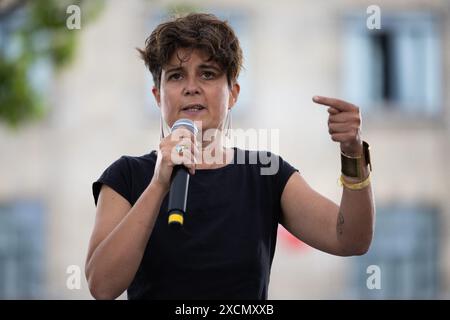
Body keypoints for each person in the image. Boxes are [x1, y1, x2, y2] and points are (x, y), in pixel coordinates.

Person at [86, 13, 375, 300]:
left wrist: (353, 153)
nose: (191, 87)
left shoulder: (265, 173)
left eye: (208, 74)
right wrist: (159, 185)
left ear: (233, 94)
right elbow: (102, 286)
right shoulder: (127, 175)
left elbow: (350, 238)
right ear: (158, 96)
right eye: (176, 76)